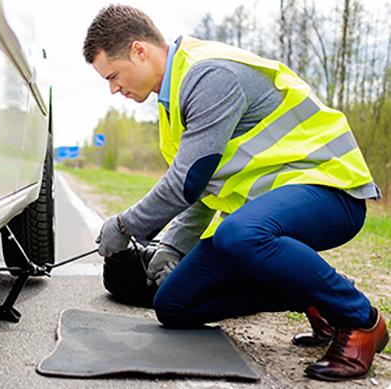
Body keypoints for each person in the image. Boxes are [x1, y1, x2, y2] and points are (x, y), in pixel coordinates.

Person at [83, 4, 389, 382]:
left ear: (139, 51)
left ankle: (361, 320)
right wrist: (172, 248)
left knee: (238, 234)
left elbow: (186, 181)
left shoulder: (209, 75)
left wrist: (125, 226)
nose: (113, 89)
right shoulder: (172, 103)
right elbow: (204, 189)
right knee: (174, 304)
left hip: (332, 190)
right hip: (266, 214)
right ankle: (315, 295)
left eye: (112, 76)